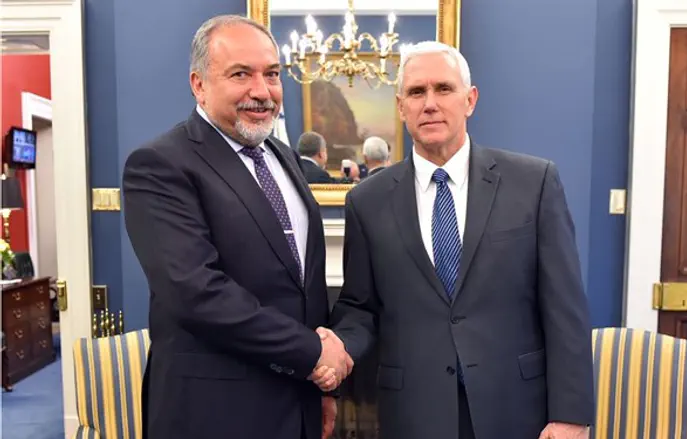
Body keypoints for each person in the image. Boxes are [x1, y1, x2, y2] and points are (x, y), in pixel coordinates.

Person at [317, 41, 595, 438]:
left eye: (443, 89)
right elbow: (360, 307)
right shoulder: (367, 200)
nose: (429, 103)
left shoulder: (533, 183)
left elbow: (565, 309)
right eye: (416, 92)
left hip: (517, 411)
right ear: (401, 106)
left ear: (470, 99)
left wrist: (571, 414)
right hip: (414, 413)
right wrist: (337, 349)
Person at [122, 15, 351, 439]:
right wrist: (313, 353)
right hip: (214, 411)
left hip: (297, 399)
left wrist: (322, 387)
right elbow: (196, 292)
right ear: (199, 84)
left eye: (272, 75)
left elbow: (302, 285)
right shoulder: (160, 164)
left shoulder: (283, 157)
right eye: (241, 74)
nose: (261, 92)